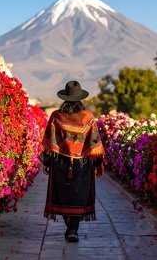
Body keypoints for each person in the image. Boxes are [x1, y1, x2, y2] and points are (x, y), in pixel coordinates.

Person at [41, 80, 105, 242]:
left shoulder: (56, 116)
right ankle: (73, 229)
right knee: (78, 197)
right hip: (83, 165)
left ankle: (70, 227)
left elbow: (50, 142)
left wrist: (47, 162)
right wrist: (98, 165)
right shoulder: (88, 118)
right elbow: (95, 145)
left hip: (60, 163)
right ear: (80, 99)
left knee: (63, 196)